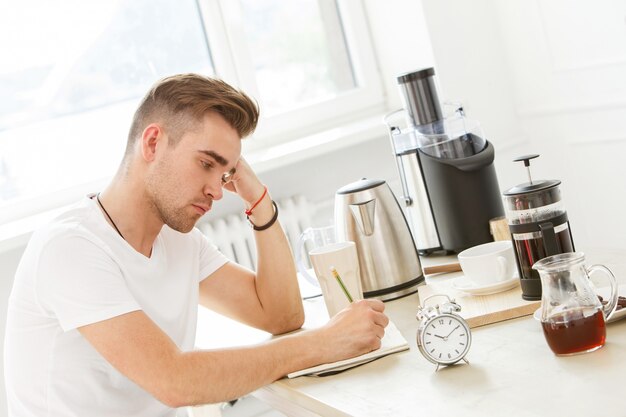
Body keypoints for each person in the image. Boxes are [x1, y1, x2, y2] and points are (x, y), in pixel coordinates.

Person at [4, 73, 389, 416]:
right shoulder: (72, 248)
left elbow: (280, 316)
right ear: (153, 142)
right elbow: (174, 381)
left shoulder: (177, 238)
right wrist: (325, 343)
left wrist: (260, 202)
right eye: (207, 164)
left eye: (226, 174)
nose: (217, 191)